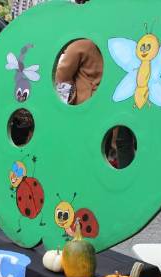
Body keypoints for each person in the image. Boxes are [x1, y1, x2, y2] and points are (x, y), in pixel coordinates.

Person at [55, 9, 135, 169]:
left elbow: (61, 75)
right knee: (110, 149)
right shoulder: (119, 40)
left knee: (87, 153)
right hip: (113, 107)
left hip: (88, 106)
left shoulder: (82, 42)